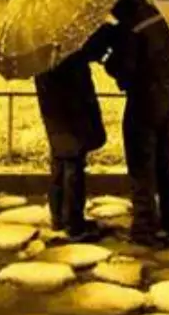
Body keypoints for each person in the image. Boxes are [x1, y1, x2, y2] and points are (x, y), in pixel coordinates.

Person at [103, 0, 169, 245]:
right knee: (165, 164)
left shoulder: (130, 27)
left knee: (141, 167)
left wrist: (109, 62)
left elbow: (125, 71)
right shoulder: (155, 16)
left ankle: (144, 228)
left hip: (142, 103)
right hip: (166, 98)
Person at [35, 24, 115, 242]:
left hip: (53, 109)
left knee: (60, 161)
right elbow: (87, 57)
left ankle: (59, 218)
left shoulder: (38, 43)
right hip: (70, 108)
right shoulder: (66, 43)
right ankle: (74, 223)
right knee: (72, 164)